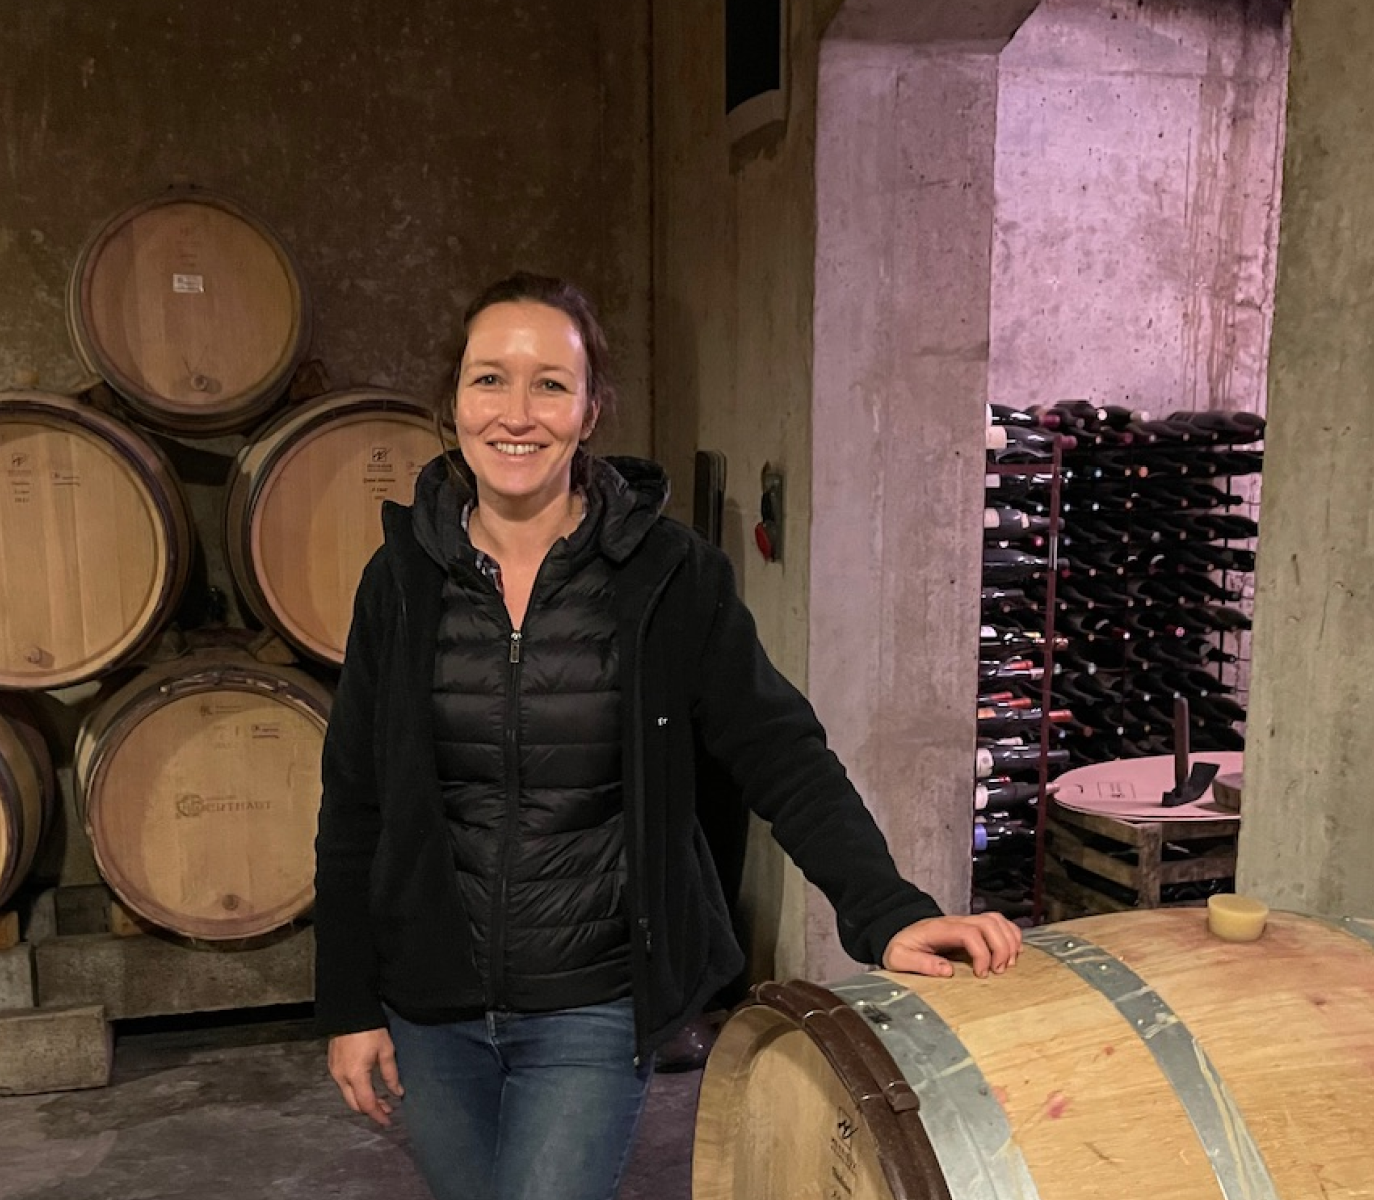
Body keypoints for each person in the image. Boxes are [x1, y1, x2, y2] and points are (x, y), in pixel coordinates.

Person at [315, 272, 1022, 1200]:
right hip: (430, 1002)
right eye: (489, 380)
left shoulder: (668, 574)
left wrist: (886, 910)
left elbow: (779, 751)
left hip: (593, 1003)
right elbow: (355, 800)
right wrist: (350, 1001)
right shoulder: (402, 578)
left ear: (590, 410)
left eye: (550, 384)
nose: (516, 413)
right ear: (454, 403)